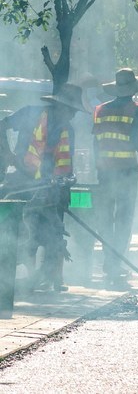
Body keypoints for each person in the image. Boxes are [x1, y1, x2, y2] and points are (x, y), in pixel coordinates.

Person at [0, 83, 87, 292]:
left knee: (54, 232)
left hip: (51, 187)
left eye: (75, 111)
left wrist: (66, 182)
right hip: (22, 182)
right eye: (71, 109)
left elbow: (66, 164)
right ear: (59, 105)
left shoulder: (68, 130)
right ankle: (23, 276)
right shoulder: (30, 113)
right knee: (23, 230)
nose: (73, 115)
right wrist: (8, 154)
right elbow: (2, 125)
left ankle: (53, 277)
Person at [93, 68, 138, 289]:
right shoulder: (137, 109)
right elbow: (136, 141)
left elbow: (96, 143)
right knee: (123, 220)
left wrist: (98, 167)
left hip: (104, 173)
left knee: (106, 219)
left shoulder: (99, 109)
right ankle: (116, 264)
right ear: (133, 88)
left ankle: (109, 263)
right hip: (126, 172)